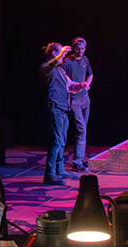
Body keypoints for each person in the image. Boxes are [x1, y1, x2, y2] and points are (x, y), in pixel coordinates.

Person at [39, 42, 84, 185]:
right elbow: (50, 64)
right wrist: (61, 52)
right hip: (55, 108)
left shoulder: (60, 70)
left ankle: (59, 170)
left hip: (63, 109)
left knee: (61, 141)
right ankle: (50, 175)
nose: (63, 57)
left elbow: (69, 84)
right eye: (61, 54)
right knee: (56, 142)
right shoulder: (46, 68)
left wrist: (80, 85)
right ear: (54, 54)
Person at [62, 37, 93, 173]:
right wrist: (73, 87)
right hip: (74, 100)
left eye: (82, 48)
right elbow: (62, 78)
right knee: (81, 131)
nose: (80, 51)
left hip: (85, 99)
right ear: (74, 48)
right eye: (78, 48)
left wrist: (87, 85)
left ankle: (77, 160)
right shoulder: (68, 62)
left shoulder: (85, 59)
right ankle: (77, 162)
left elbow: (90, 74)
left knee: (82, 131)